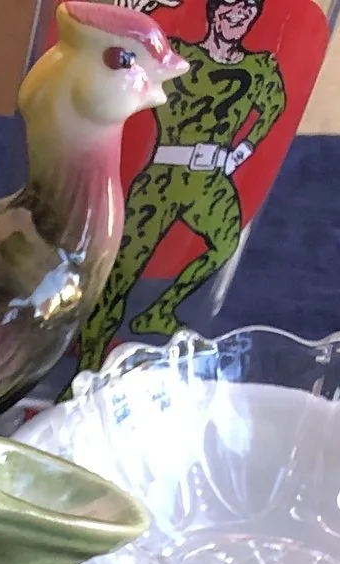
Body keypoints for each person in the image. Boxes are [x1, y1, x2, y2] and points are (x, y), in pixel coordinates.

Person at [76, 0, 287, 368]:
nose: (239, 13)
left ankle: (159, 311)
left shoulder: (259, 68)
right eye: (231, 4)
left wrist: (242, 151)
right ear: (213, 10)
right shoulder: (175, 54)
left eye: (248, 8)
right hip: (163, 177)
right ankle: (87, 368)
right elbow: (114, 60)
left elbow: (274, 108)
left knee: (224, 246)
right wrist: (139, 11)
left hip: (211, 182)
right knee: (120, 272)